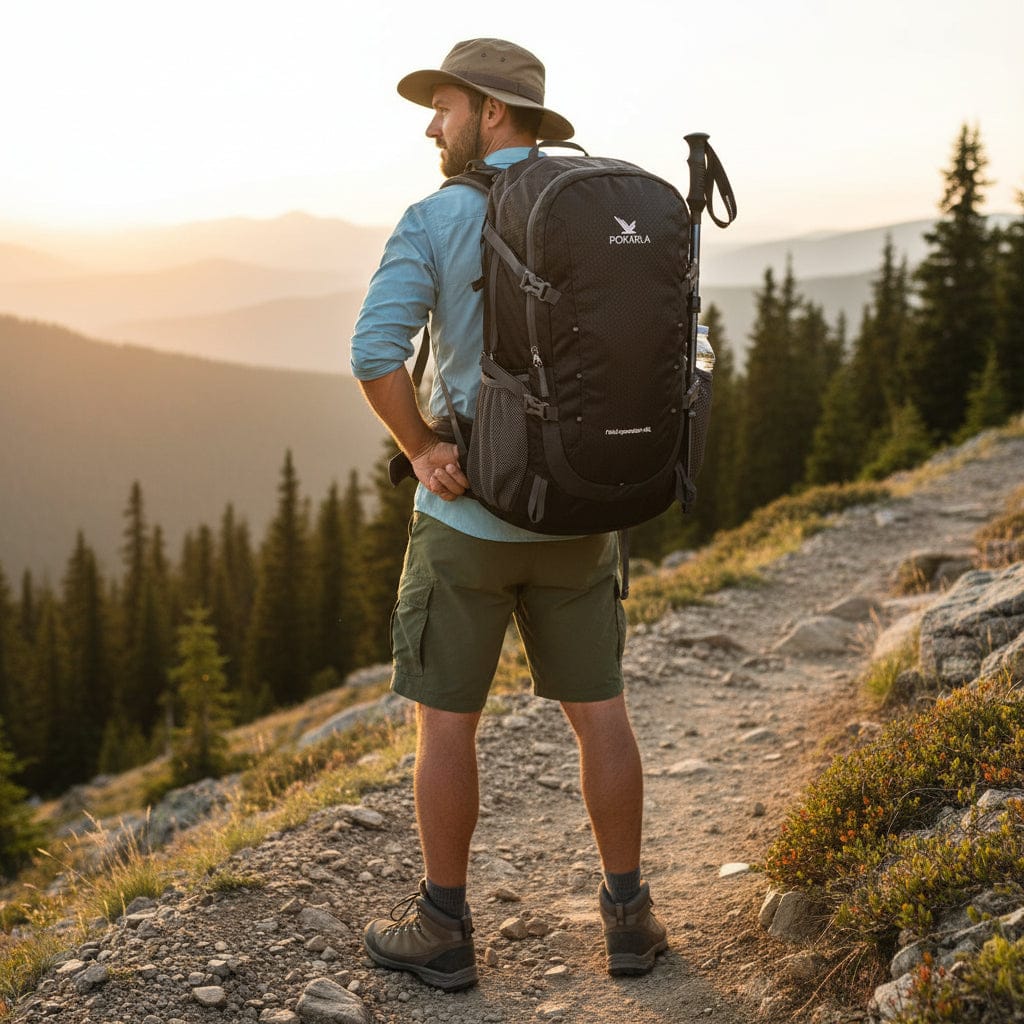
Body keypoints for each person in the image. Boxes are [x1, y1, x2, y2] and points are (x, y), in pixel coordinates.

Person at [349, 37, 667, 992]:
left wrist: (422, 449)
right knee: (600, 715)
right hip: (582, 513)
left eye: (442, 107)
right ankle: (630, 921)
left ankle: (443, 928)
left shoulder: (436, 217)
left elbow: (374, 354)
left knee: (448, 727)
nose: (430, 125)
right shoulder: (603, 210)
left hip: (470, 521)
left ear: (490, 111)